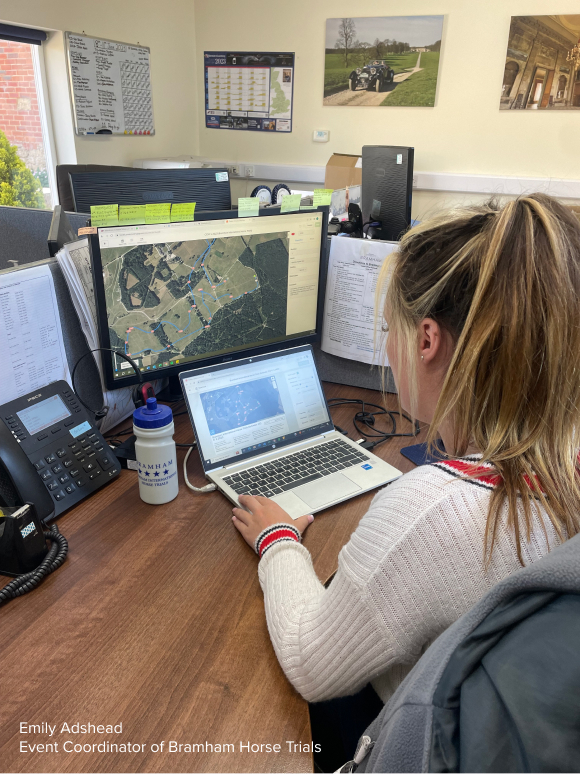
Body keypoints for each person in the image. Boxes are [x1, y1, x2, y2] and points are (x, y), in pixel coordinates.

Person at [231, 194, 580, 713]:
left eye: (388, 328)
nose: (388, 345)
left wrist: (277, 540)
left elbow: (310, 661)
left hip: (407, 733)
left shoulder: (432, 512)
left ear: (426, 340)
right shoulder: (564, 455)